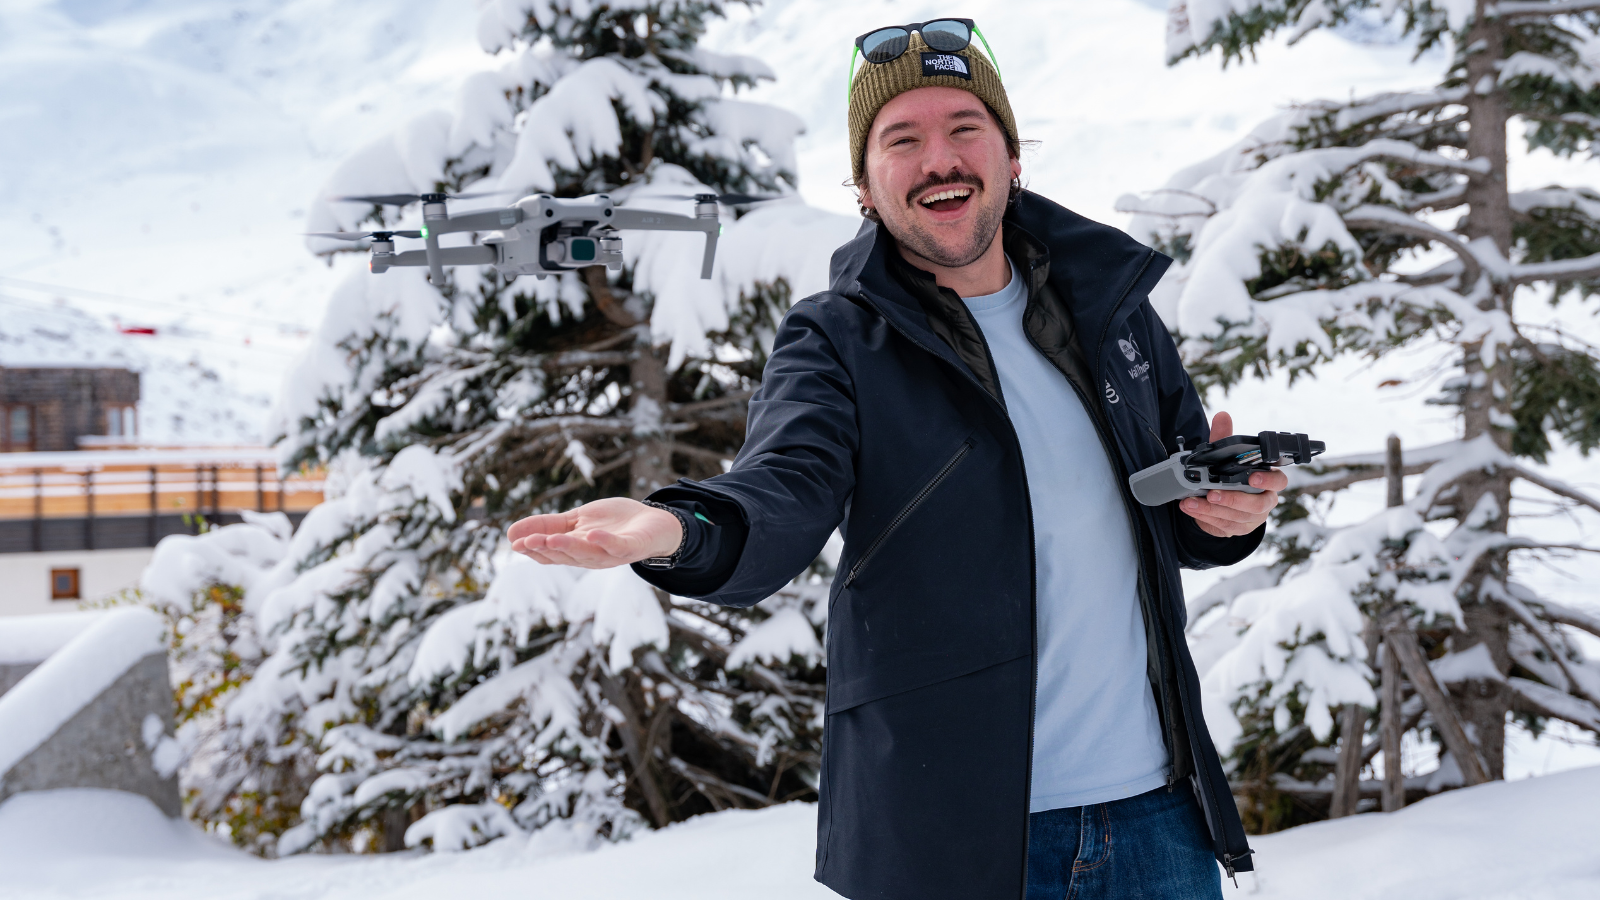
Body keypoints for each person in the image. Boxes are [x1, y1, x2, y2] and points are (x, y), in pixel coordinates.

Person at [508, 20, 1279, 900]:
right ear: (866, 186)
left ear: (1011, 155)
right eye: (901, 141)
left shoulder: (1112, 312)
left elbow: (1176, 511)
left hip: (1156, 822)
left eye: (963, 128)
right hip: (950, 834)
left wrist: (1228, 517)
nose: (938, 160)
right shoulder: (836, 341)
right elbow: (786, 487)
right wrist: (678, 527)